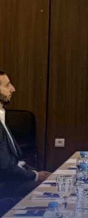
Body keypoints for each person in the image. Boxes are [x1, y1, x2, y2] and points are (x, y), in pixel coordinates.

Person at [0, 70, 50, 202]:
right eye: (7, 85)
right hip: (5, 186)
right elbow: (4, 166)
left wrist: (34, 173)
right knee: (52, 192)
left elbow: (12, 161)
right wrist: (35, 176)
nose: (13, 89)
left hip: (11, 179)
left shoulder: (1, 114)